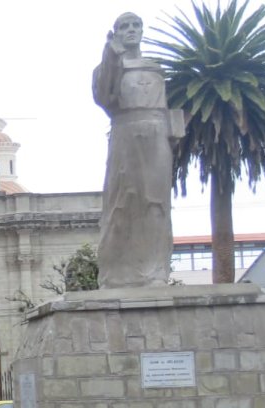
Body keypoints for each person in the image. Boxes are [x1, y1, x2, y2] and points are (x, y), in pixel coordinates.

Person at [92, 12, 181, 288]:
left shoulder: (156, 69)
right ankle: (115, 273)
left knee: (156, 203)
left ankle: (156, 272)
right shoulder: (108, 66)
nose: (131, 30)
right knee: (122, 202)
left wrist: (174, 131)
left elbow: (171, 106)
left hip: (157, 137)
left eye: (136, 25)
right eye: (124, 26)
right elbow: (104, 96)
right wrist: (111, 57)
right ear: (115, 32)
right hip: (125, 134)